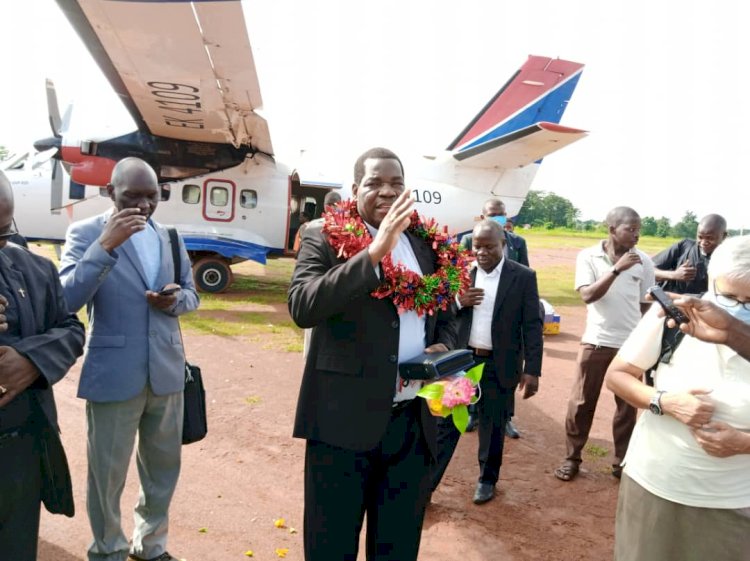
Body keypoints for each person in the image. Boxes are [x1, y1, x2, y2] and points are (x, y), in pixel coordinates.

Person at [288, 147, 458, 561]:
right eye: (375, 183)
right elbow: (303, 306)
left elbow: (448, 312)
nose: (386, 191)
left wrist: (445, 345)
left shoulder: (425, 244)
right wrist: (374, 253)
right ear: (354, 189)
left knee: (398, 547)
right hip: (342, 424)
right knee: (331, 547)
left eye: (395, 184)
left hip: (410, 426)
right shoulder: (322, 235)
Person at [59, 158, 200, 561]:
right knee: (107, 475)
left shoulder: (170, 237)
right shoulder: (85, 233)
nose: (142, 206)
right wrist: (105, 245)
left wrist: (174, 301)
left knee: (162, 471)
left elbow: (192, 295)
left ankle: (150, 546)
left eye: (151, 197)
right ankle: (108, 549)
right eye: (131, 196)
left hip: (167, 373)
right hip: (114, 375)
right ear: (109, 193)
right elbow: (66, 299)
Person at [605, 235, 750, 561]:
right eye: (728, 296)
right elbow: (617, 376)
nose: (738, 310)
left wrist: (743, 443)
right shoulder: (675, 317)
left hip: (735, 503)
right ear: (711, 283)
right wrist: (665, 401)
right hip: (656, 486)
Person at [0, 170, 85, 561]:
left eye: (1, 234)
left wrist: (31, 361)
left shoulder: (37, 269)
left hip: (22, 453)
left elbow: (70, 329)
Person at [432, 219, 543, 504]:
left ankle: (487, 480)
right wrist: (459, 302)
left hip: (499, 365)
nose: (482, 252)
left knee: (493, 429)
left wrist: (532, 370)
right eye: (477, 246)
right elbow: (442, 314)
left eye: (489, 246)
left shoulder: (523, 277)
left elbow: (532, 325)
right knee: (447, 426)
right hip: (463, 363)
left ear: (504, 245)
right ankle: (428, 484)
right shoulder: (461, 274)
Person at [554, 206, 655, 482]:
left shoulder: (644, 261)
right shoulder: (588, 256)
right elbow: (588, 295)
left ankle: (621, 462)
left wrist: (637, 336)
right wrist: (616, 270)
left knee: (627, 407)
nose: (637, 235)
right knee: (581, 403)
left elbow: (646, 303)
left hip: (630, 348)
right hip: (596, 342)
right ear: (612, 229)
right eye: (630, 229)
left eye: (638, 229)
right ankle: (571, 458)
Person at [461, 197, 529, 437]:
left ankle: (506, 417)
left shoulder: (518, 242)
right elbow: (458, 276)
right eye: (492, 215)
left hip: (506, 315)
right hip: (476, 325)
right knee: (471, 380)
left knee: (504, 379)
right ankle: (472, 412)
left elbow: (525, 272)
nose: (497, 218)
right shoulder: (469, 241)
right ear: (482, 216)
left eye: (501, 215)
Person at [652, 213, 727, 295]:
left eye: (710, 238)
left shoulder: (729, 260)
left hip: (702, 306)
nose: (703, 242)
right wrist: (674, 275)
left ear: (724, 236)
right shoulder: (684, 246)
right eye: (700, 237)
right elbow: (649, 270)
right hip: (672, 303)